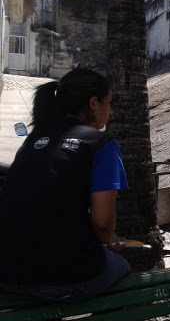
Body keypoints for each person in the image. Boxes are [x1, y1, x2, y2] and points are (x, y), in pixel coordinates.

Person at [0, 67, 131, 302]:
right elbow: (102, 225)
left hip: (5, 269)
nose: (110, 111)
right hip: (56, 276)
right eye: (108, 103)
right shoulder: (102, 145)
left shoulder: (34, 139)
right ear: (93, 104)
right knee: (120, 267)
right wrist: (109, 240)